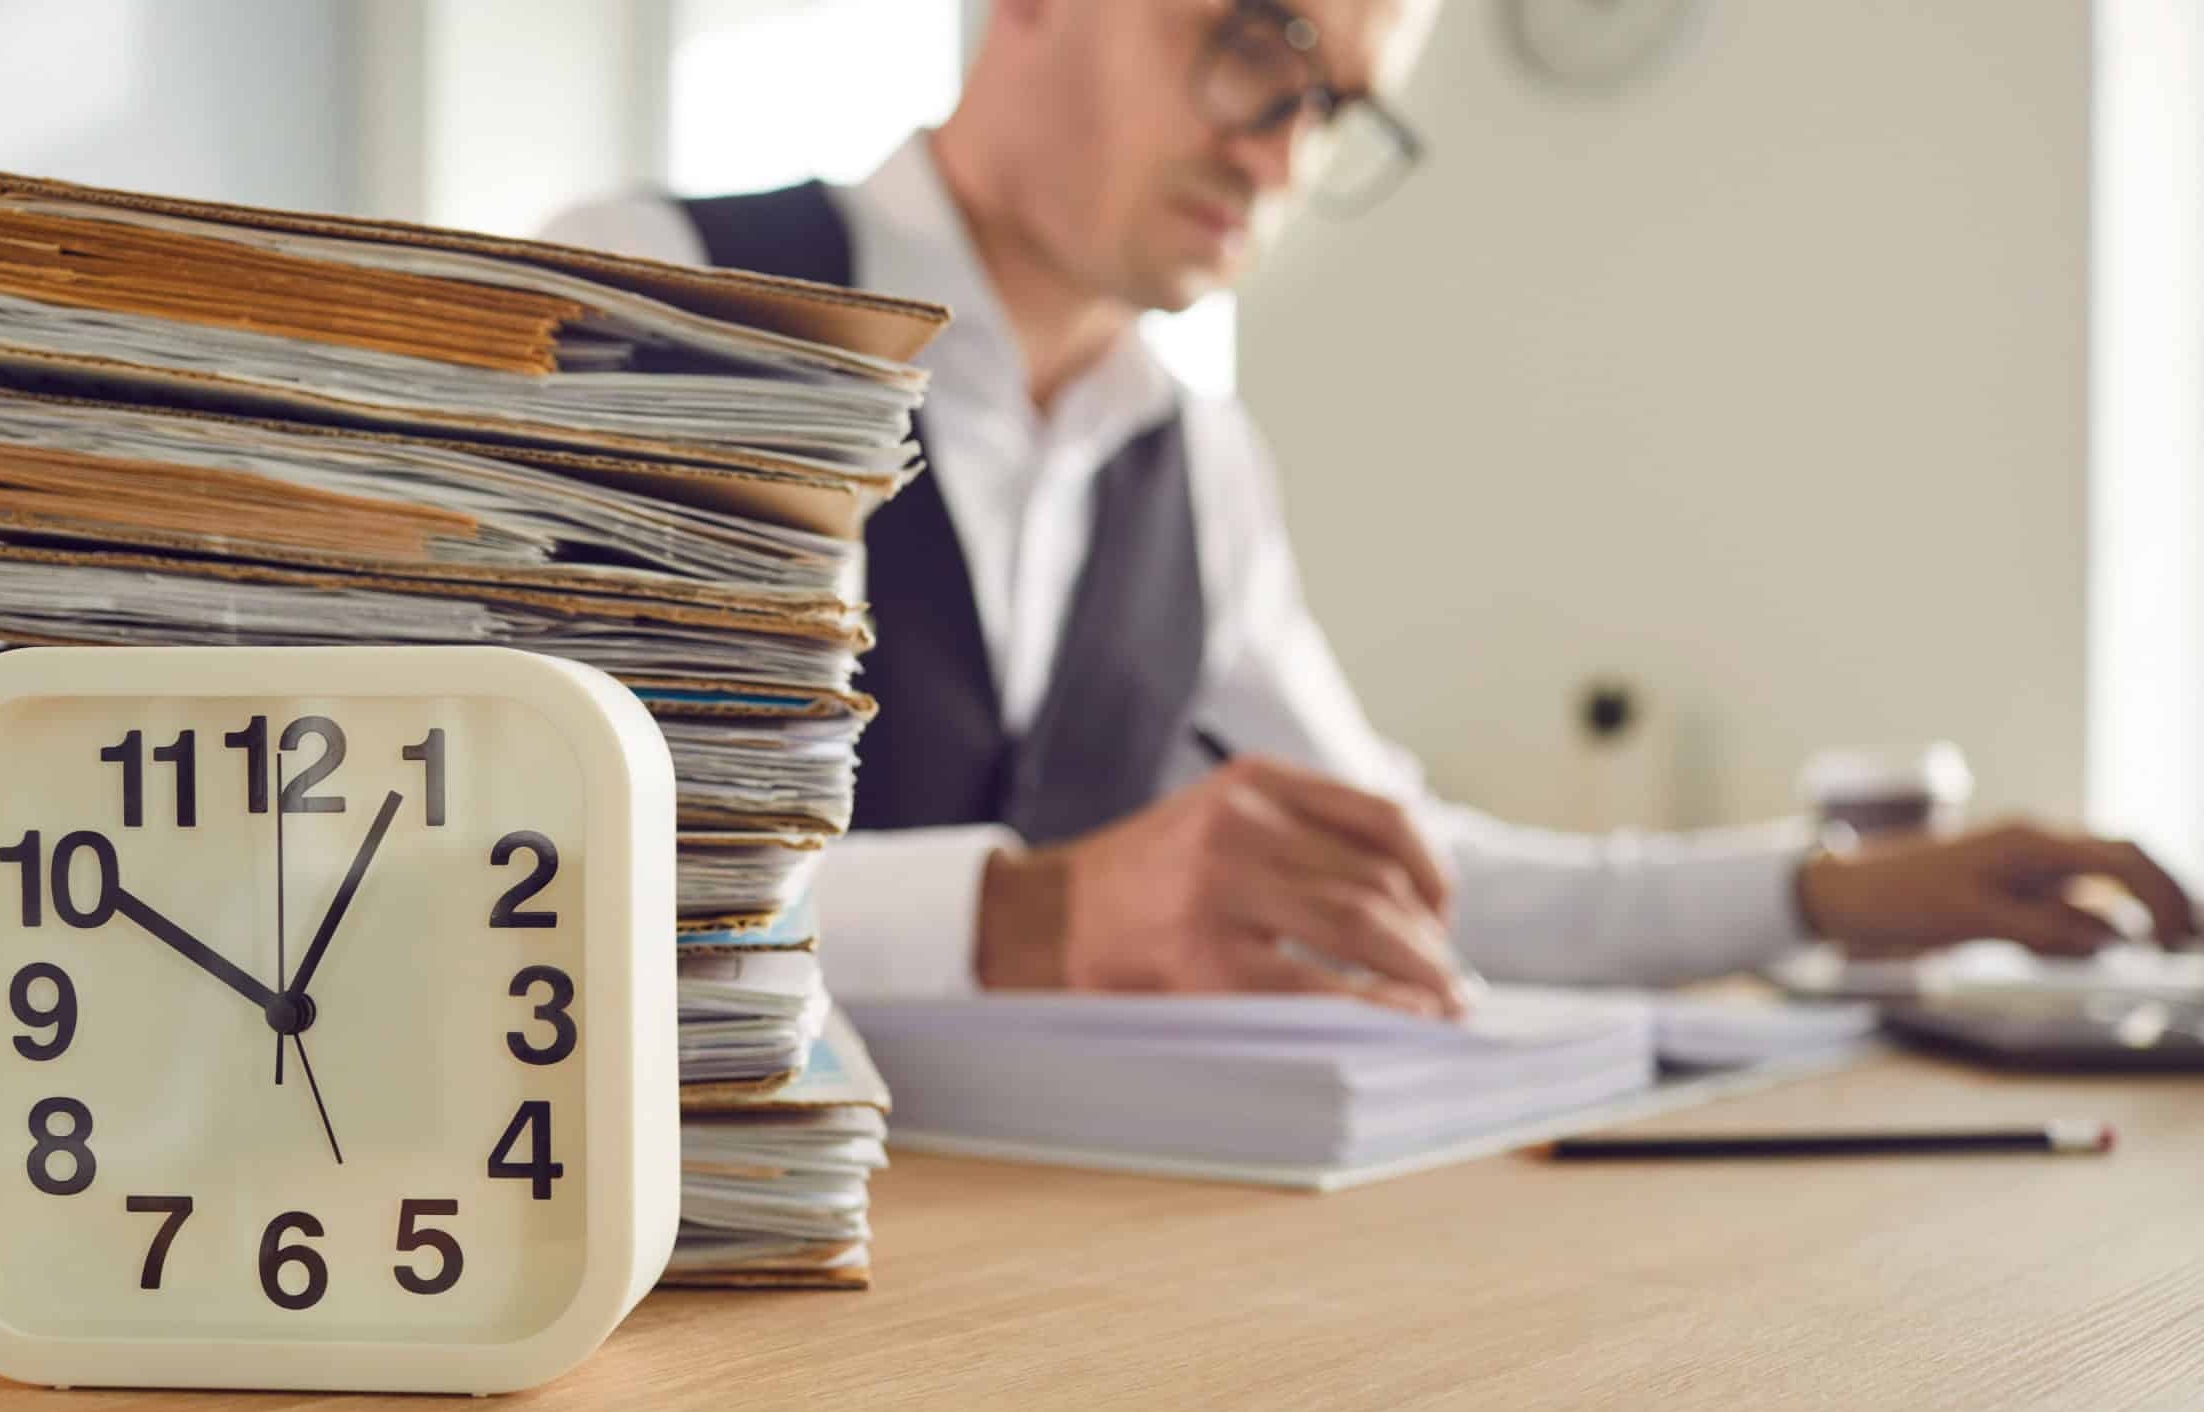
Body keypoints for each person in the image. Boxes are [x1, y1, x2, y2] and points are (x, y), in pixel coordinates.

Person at [544, 0, 2195, 1015]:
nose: (1280, 149)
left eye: (1336, 103)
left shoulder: (1195, 467)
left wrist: (1825, 891)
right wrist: (1034, 912)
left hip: (1055, 1269)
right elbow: (497, 854)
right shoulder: (668, 292)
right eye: (1258, 38)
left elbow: (1403, 868)